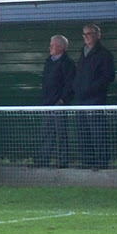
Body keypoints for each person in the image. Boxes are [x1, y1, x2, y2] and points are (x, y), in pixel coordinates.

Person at [73, 23, 115, 170]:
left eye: (89, 33)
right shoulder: (82, 54)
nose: (86, 37)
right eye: (84, 34)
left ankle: (101, 162)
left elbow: (108, 76)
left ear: (98, 35)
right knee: (83, 132)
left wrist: (91, 89)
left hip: (95, 99)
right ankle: (87, 161)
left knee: (98, 132)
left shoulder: (104, 54)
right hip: (81, 100)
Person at [34, 35, 75, 168]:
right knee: (46, 133)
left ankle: (62, 161)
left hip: (59, 104)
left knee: (61, 133)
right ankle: (43, 160)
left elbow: (70, 84)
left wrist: (62, 100)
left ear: (61, 47)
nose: (50, 48)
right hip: (47, 103)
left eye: (52, 45)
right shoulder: (49, 62)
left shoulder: (67, 63)